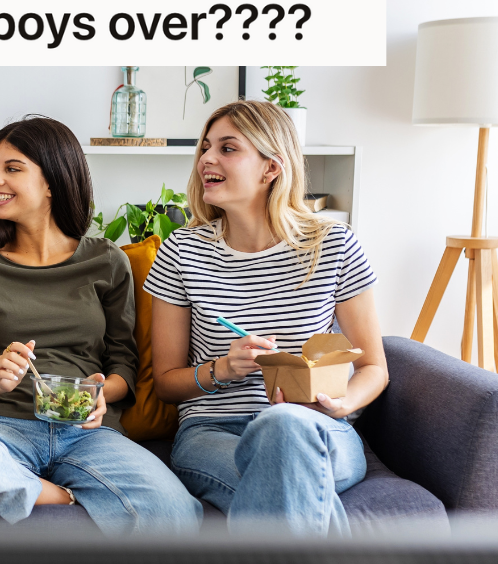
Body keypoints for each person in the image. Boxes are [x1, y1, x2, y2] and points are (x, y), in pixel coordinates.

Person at [0, 116, 202, 536]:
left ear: (52, 182)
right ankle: (54, 494)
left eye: (12, 168)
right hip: (4, 429)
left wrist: (101, 395)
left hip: (87, 432)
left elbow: (124, 366)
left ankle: (14, 490)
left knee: (176, 512)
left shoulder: (107, 261)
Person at [145, 100, 387, 536]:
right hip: (213, 431)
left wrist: (340, 404)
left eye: (228, 148)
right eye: (205, 147)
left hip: (317, 428)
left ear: (271, 168)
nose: (207, 158)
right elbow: (165, 382)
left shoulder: (333, 245)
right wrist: (223, 369)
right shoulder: (182, 250)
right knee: (289, 486)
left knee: (285, 425)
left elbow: (373, 367)